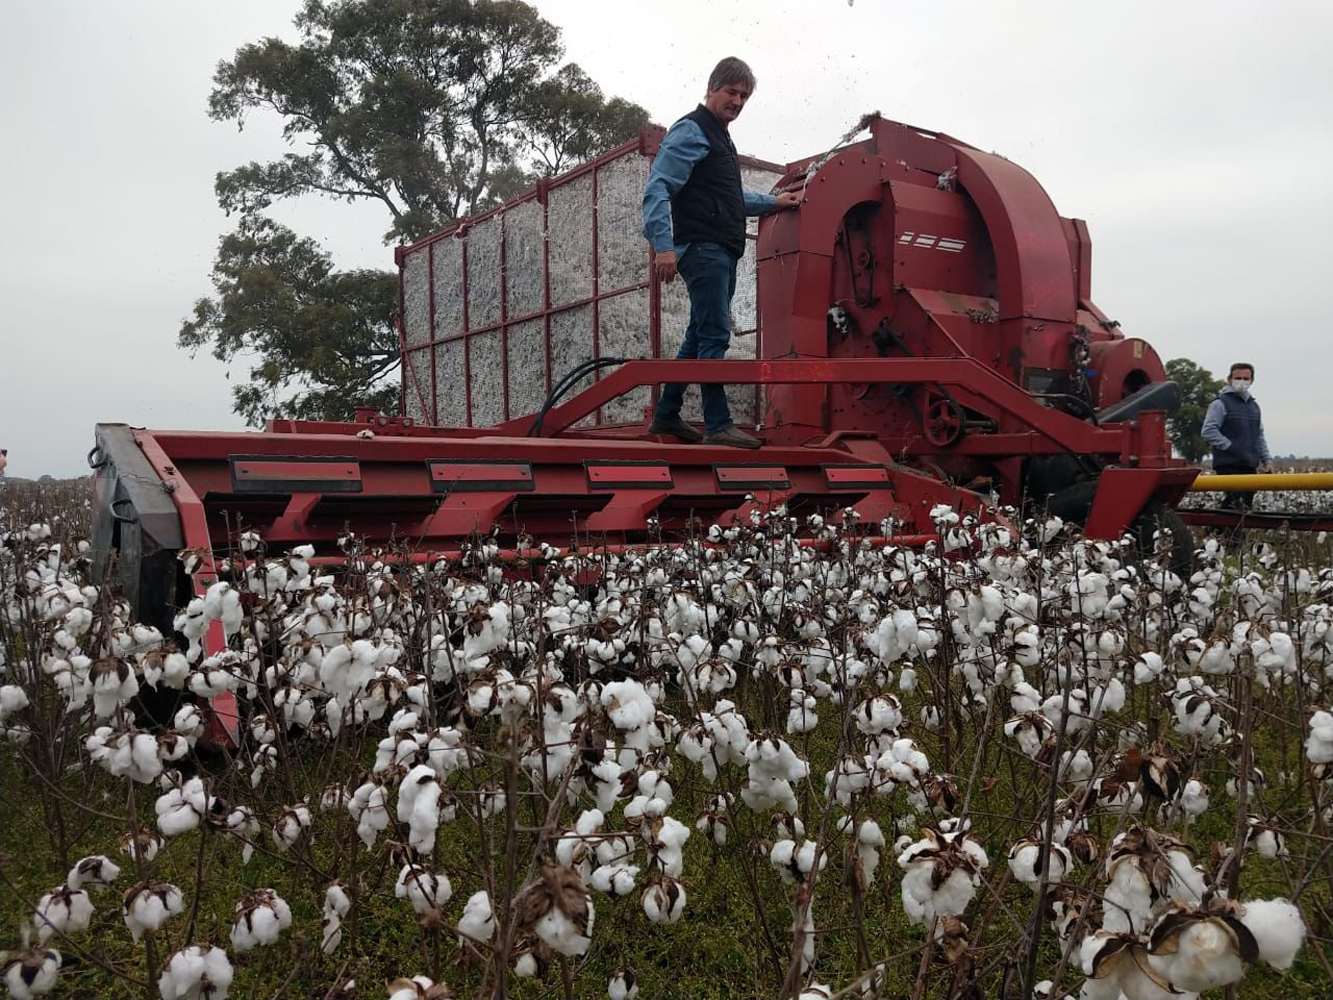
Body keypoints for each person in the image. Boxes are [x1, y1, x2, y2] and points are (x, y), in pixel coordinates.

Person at [642, 56, 800, 449]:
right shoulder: (693, 131)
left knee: (698, 335)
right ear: (712, 88)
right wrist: (663, 247)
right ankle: (718, 424)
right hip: (702, 248)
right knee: (714, 334)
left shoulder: (720, 139)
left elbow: (731, 197)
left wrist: (775, 202)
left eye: (744, 95)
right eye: (731, 92)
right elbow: (657, 188)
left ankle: (667, 414)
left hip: (720, 251)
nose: (738, 101)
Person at [1201, 362, 1274, 520]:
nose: (1242, 381)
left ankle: (1217, 536)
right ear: (1229, 379)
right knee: (1235, 503)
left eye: (1245, 378)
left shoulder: (1254, 406)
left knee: (1245, 505)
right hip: (1228, 463)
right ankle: (1219, 538)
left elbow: (1259, 436)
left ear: (1252, 381)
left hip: (1249, 463)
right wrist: (1231, 446)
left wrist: (1267, 460)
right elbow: (1208, 430)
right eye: (1238, 378)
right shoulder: (1220, 403)